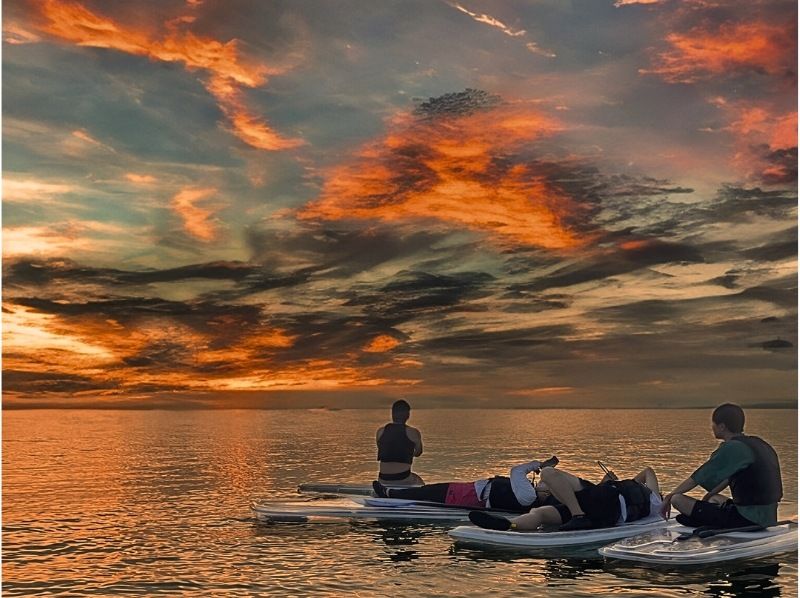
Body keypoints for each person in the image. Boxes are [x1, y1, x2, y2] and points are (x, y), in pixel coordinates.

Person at [659, 403, 783, 530]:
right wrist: (707, 497)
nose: (711, 427)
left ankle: (706, 520)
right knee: (713, 498)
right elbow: (729, 478)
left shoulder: (732, 448)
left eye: (713, 424)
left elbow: (697, 478)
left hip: (747, 519)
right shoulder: (757, 443)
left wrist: (669, 497)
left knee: (677, 499)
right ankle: (706, 517)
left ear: (722, 426)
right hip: (768, 516)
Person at [469, 466, 663, 532]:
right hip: (601, 510)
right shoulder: (649, 503)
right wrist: (628, 482)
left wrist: (667, 498)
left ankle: (578, 515)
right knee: (540, 513)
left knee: (548, 473)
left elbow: (648, 471)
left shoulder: (656, 501)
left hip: (603, 500)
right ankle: (509, 525)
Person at [373, 456, 559, 512]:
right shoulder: (529, 495)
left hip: (469, 495)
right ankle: (393, 492)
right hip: (473, 490)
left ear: (546, 494)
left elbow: (516, 471)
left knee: (426, 492)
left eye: (546, 485)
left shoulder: (530, 496)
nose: (542, 483)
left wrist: (538, 465)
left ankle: (389, 494)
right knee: (428, 491)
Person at [376, 400, 424, 486]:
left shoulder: (380, 432)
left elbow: (382, 448)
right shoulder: (413, 432)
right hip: (403, 478)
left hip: (382, 478)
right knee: (420, 482)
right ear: (408, 415)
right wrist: (409, 453)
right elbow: (418, 453)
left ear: (392, 414)